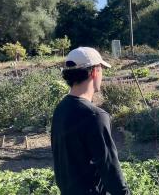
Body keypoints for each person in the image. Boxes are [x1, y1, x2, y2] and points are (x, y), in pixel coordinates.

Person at [51, 47, 130, 195]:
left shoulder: (60, 109)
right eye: (101, 69)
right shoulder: (95, 116)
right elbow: (110, 169)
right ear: (94, 71)